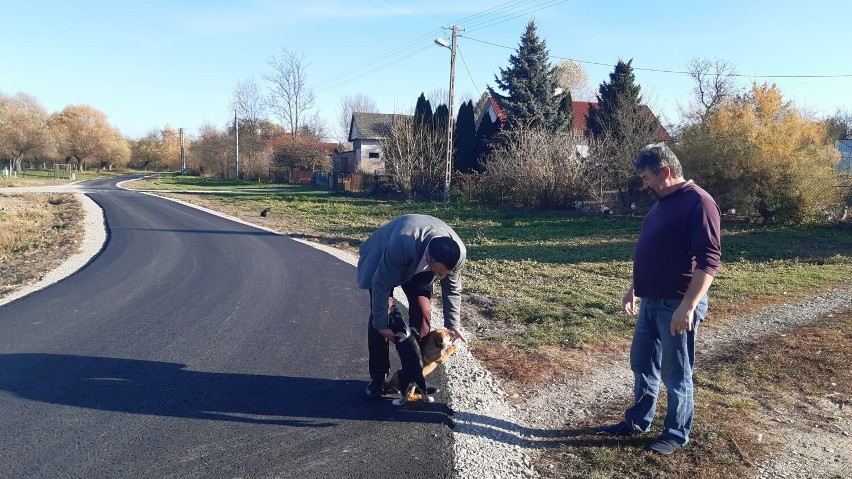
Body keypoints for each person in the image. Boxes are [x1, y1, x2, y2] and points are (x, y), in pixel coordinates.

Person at [598, 142, 722, 455]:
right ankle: (638, 421)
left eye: (646, 177)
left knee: (675, 373)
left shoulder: (699, 202)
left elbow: (709, 260)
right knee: (642, 364)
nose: (644, 183)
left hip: (676, 303)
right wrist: (635, 287)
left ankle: (676, 434)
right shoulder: (661, 203)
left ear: (665, 172)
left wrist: (688, 306)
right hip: (651, 300)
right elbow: (653, 250)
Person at [356, 214, 467, 398]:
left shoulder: (457, 254)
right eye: (438, 272)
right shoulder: (402, 243)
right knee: (382, 315)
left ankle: (415, 376)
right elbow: (381, 284)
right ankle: (378, 378)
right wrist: (382, 326)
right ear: (429, 256)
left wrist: (453, 324)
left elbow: (452, 289)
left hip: (422, 265)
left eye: (443, 274)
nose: (441, 277)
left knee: (423, 311)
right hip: (384, 258)